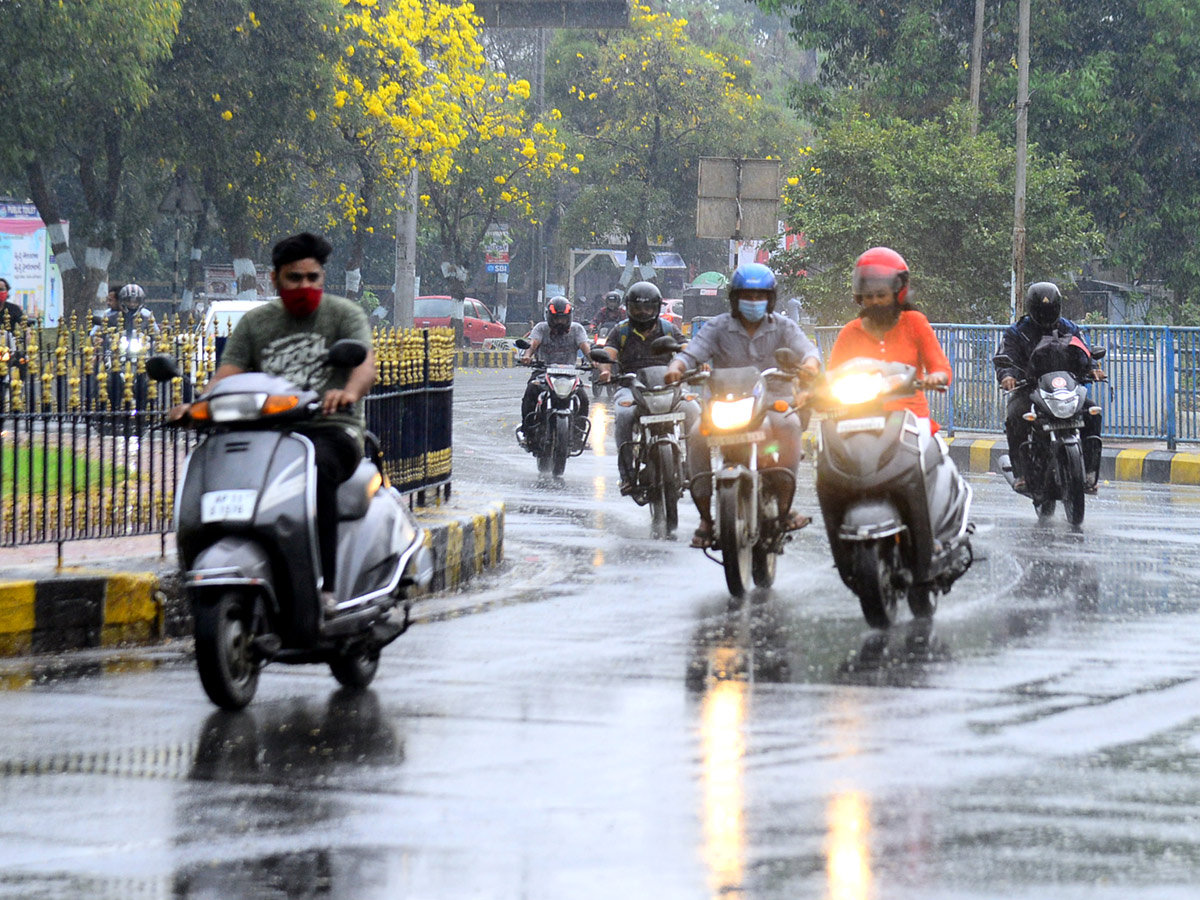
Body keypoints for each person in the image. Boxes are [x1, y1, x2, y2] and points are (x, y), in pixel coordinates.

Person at [170, 232, 376, 610]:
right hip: (266, 435)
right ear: (274, 279)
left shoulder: (344, 315)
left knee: (317, 475)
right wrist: (196, 406)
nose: (304, 286)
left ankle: (326, 587)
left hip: (330, 431)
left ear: (322, 279)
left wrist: (347, 392)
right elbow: (226, 376)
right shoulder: (256, 324)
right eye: (294, 278)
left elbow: (364, 365)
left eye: (312, 278)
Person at [664, 262, 821, 547]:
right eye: (747, 296)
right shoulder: (717, 327)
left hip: (775, 400)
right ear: (735, 299)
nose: (753, 302)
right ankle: (705, 517)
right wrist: (677, 366)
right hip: (728, 401)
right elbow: (692, 353)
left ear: (770, 299)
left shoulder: (784, 327)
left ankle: (783, 508)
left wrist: (810, 364)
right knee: (698, 435)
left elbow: (808, 352)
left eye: (759, 296)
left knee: (789, 425)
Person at [995, 281, 1105, 493]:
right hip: (1031, 389)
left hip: (1067, 390)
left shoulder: (1069, 328)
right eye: (1041, 310)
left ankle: (1090, 472)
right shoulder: (1018, 332)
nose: (1046, 315)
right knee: (1015, 416)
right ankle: (1021, 473)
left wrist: (1093, 368)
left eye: (1050, 310)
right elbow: (1006, 355)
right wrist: (1008, 375)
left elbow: (1084, 352)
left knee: (1093, 413)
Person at [827, 247, 951, 430]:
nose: (875, 301)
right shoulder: (849, 332)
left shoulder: (915, 323)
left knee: (934, 455)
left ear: (897, 294)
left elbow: (940, 367)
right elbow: (832, 376)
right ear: (860, 297)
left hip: (911, 420)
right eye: (869, 296)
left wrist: (936, 377)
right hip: (858, 421)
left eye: (881, 295)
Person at [595, 281, 699, 495]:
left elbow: (685, 347)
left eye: (648, 308)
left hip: (668, 387)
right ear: (629, 308)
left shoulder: (668, 329)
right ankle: (627, 474)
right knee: (623, 415)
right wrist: (605, 370)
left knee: (693, 410)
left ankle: (694, 466)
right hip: (631, 387)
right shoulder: (620, 330)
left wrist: (694, 358)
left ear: (657, 308)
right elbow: (609, 353)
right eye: (638, 308)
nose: (643, 313)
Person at [518, 296, 591, 449]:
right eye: (556, 319)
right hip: (542, 372)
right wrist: (526, 356)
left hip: (570, 375)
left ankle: (578, 435)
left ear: (569, 318)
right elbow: (533, 344)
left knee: (583, 398)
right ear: (549, 317)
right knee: (530, 392)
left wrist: (594, 360)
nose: (559, 322)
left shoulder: (577, 329)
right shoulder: (541, 328)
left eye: (563, 319)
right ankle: (527, 432)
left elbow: (586, 348)